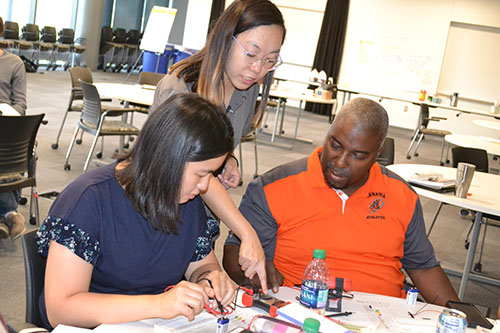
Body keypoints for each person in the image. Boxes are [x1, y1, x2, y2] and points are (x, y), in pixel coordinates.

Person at [223, 98, 460, 307]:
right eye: (335, 145)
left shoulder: (401, 195)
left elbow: (423, 267)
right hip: (300, 310)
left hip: (383, 319)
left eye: (358, 155)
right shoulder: (272, 186)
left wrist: (463, 317)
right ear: (327, 134)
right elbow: (234, 251)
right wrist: (250, 273)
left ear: (377, 154)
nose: (341, 161)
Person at [36, 93, 236, 329]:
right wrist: (159, 304)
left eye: (211, 175)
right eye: (201, 174)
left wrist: (209, 278)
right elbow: (60, 309)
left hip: (154, 324)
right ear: (168, 159)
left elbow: (202, 265)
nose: (205, 186)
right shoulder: (89, 200)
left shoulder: (187, 201)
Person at [152, 0, 287, 292]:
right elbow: (186, 173)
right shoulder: (180, 89)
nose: (257, 69)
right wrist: (246, 233)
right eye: (251, 54)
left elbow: (213, 151)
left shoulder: (246, 88)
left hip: (203, 225)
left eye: (269, 60)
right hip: (166, 221)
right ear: (226, 39)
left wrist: (228, 160)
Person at [0, 16, 28, 241]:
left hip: (6, 124)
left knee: (17, 146)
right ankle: (9, 213)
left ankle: (5, 214)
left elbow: (20, 104)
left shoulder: (15, 63)